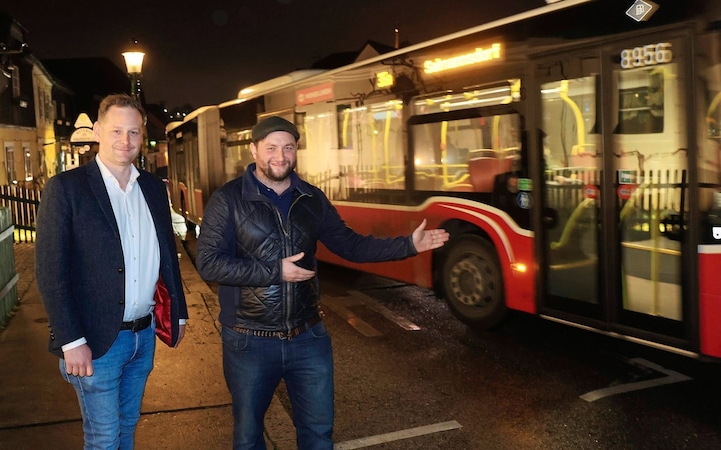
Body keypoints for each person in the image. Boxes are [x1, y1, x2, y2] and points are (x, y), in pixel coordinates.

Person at [195, 116, 450, 449]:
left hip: (308, 338)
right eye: (271, 147)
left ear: (296, 151)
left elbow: (350, 245)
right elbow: (209, 263)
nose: (280, 156)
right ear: (254, 149)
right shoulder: (228, 199)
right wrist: (274, 271)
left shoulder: (311, 198)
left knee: (318, 436)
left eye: (288, 147)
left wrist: (408, 245)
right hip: (249, 340)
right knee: (248, 437)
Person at [35, 93, 188, 450]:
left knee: (127, 429)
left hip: (143, 336)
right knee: (103, 438)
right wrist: (71, 341)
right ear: (98, 131)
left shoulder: (151, 188)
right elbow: (50, 272)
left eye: (133, 132)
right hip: (95, 342)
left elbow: (166, 253)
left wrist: (177, 314)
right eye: (116, 130)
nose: (125, 140)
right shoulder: (66, 189)